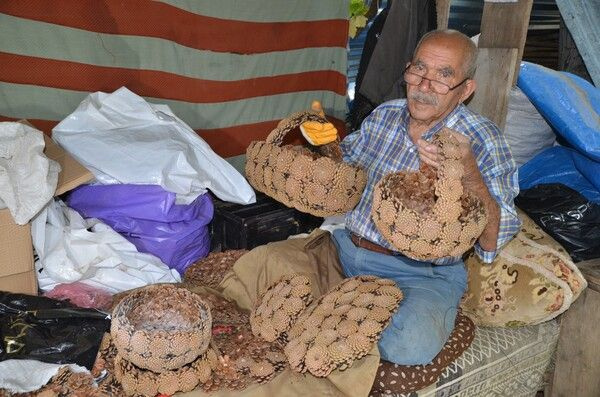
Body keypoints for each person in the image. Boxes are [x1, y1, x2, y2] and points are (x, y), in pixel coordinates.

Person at [331, 29, 521, 365]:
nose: (424, 85)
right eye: (419, 70)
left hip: (418, 275)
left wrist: (469, 172)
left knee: (410, 344)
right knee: (262, 270)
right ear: (407, 71)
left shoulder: (483, 140)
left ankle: (339, 320)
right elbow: (344, 164)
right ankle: (344, 311)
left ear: (465, 90)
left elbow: (493, 240)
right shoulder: (384, 115)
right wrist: (319, 151)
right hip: (345, 251)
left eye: (443, 76)